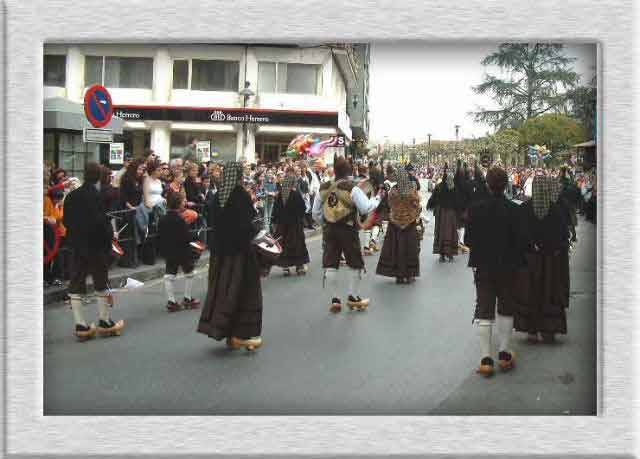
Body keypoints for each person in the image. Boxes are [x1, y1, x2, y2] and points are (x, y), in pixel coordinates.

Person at [465, 166, 525, 377]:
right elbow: (521, 243)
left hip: (483, 266)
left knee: (484, 310)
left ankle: (485, 358)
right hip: (508, 267)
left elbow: (468, 241)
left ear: (488, 184)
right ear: (506, 183)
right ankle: (505, 353)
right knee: (506, 308)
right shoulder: (516, 210)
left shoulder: (474, 209)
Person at [197, 162, 263, 351]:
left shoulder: (218, 196)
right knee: (243, 292)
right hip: (240, 253)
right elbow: (248, 224)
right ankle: (241, 333)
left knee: (222, 291)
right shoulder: (241, 195)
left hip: (220, 253)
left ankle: (224, 330)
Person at [63, 162, 125, 341]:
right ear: (98, 177)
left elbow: (66, 221)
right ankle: (105, 322)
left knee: (76, 282)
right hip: (96, 247)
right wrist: (110, 235)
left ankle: (80, 324)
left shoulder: (72, 196)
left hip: (76, 245)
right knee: (100, 281)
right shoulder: (96, 196)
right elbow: (101, 223)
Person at [312, 157, 382, 313]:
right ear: (349, 172)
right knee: (355, 262)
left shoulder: (323, 187)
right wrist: (376, 200)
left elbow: (315, 213)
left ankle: (335, 299)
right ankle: (353, 297)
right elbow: (365, 208)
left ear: (335, 171)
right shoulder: (352, 188)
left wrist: (325, 223)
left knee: (331, 263)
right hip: (348, 229)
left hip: (329, 230)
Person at [513, 175, 570, 344]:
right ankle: (549, 329)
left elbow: (518, 235)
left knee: (530, 293)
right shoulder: (555, 210)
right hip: (550, 261)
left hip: (529, 260)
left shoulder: (524, 209)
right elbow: (563, 236)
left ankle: (531, 331)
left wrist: (531, 245)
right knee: (549, 292)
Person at [376, 169, 421, 284]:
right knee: (409, 247)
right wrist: (414, 213)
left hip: (395, 222)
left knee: (396, 247)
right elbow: (416, 204)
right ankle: (409, 274)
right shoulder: (411, 191)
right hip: (409, 222)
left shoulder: (393, 191)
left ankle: (398, 274)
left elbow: (389, 204)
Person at [158, 192, 201, 312]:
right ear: (178, 204)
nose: (185, 202)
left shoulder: (162, 219)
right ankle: (187, 299)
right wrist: (195, 235)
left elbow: (160, 236)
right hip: (183, 251)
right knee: (190, 273)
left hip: (169, 251)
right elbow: (186, 237)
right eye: (183, 201)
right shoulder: (180, 220)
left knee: (169, 276)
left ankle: (171, 301)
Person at [271, 173, 310, 276]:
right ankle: (299, 267)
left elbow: (275, 211)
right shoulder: (296, 194)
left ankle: (286, 267)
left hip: (282, 226)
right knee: (297, 244)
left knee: (284, 245)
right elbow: (303, 208)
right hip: (295, 225)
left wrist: (276, 222)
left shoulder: (280, 195)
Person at [427, 165, 459, 262]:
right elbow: (458, 201)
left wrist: (432, 206)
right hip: (451, 213)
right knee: (450, 232)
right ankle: (450, 254)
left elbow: (432, 200)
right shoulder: (454, 188)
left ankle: (441, 254)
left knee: (440, 231)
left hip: (441, 212)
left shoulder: (439, 186)